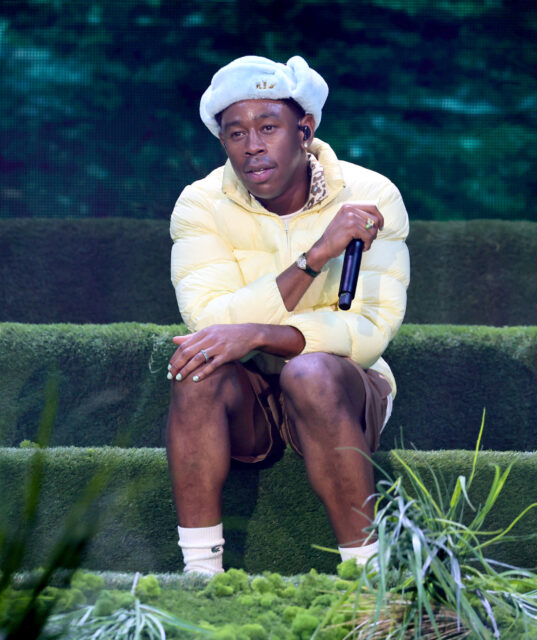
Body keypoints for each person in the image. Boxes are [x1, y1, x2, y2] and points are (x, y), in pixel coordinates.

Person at [167, 55, 410, 575]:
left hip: (341, 386)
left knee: (311, 372)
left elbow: (370, 332)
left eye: (268, 127)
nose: (252, 145)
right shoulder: (200, 204)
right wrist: (314, 257)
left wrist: (260, 333)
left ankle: (368, 576)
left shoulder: (371, 195)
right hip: (249, 395)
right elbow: (210, 322)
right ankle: (200, 574)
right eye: (236, 133)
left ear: (305, 130)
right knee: (197, 369)